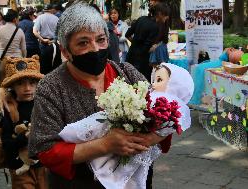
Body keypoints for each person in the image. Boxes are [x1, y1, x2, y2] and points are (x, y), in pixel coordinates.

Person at [28, 2, 166, 189]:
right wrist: (106, 145)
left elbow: (166, 116)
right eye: (83, 42)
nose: (95, 48)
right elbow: (44, 149)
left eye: (101, 39)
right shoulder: (51, 87)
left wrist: (147, 139)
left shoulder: (127, 73)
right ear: (65, 51)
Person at [57, 63, 194, 189]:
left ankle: (76, 137)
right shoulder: (151, 95)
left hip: (132, 142)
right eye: (153, 80)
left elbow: (167, 128)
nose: (151, 85)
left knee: (127, 169)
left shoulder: (167, 103)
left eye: (159, 80)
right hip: (124, 133)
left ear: (175, 85)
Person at [0, 55, 47, 189]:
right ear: (12, 86)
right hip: (20, 168)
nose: (27, 88)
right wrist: (24, 137)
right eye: (20, 83)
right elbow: (7, 144)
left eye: (32, 83)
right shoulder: (10, 110)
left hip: (43, 165)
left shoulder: (43, 105)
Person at [125, 2, 160, 81]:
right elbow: (146, 48)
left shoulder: (141, 19)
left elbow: (127, 34)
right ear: (159, 13)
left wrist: (135, 42)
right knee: (141, 85)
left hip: (131, 54)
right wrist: (154, 47)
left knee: (128, 81)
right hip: (142, 61)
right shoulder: (155, 26)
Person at [33, 4, 61, 74]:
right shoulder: (56, 18)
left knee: (44, 66)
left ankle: (44, 82)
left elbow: (34, 32)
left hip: (43, 44)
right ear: (51, 9)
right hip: (54, 43)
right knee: (55, 66)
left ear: (44, 10)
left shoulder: (40, 18)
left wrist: (42, 39)